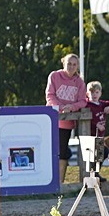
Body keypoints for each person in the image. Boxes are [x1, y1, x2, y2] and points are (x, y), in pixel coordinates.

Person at [45, 53, 86, 183]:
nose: (71, 66)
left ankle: (60, 182)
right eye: (69, 63)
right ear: (63, 63)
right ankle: (47, 180)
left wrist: (71, 107)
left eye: (74, 64)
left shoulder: (79, 82)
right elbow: (50, 95)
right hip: (52, 120)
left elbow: (82, 101)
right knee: (50, 150)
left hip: (67, 123)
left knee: (62, 151)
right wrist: (62, 107)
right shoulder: (54, 76)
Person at [85, 81, 109, 168]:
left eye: (97, 92)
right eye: (92, 92)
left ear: (100, 93)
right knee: (96, 155)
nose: (94, 95)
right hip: (90, 135)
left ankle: (96, 173)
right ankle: (92, 173)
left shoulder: (102, 104)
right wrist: (96, 124)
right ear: (87, 93)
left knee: (101, 154)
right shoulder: (87, 105)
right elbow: (85, 117)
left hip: (100, 135)